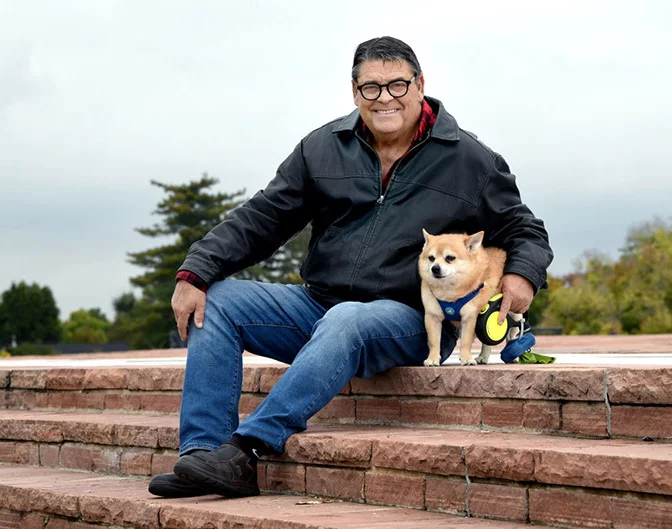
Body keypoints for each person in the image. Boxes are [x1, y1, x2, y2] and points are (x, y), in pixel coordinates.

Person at [148, 36, 553, 498]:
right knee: (218, 301)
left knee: (348, 319)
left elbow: (526, 230)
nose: (385, 98)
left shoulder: (470, 159)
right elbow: (263, 217)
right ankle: (203, 456)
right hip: (317, 303)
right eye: (371, 88)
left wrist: (522, 275)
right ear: (354, 91)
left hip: (408, 317)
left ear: (420, 86)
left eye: (397, 85)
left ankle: (248, 450)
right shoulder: (322, 147)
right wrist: (195, 270)